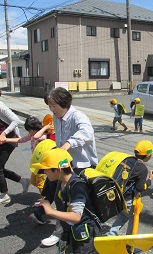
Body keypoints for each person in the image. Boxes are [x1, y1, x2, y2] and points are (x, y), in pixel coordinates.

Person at [31, 87, 99, 247]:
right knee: (61, 197)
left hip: (80, 164)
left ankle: (63, 232)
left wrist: (69, 143)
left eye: (53, 105)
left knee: (71, 200)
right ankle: (60, 228)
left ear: (64, 103)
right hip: (63, 163)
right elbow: (59, 139)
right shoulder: (56, 117)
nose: (51, 109)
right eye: (49, 105)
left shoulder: (77, 116)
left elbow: (87, 133)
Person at [32, 148, 100, 254]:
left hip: (84, 238)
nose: (44, 172)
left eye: (47, 169)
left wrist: (50, 211)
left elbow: (76, 217)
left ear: (59, 169)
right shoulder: (61, 181)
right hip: (71, 231)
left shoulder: (77, 186)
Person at [107, 140, 153, 238]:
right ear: (148, 155)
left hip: (117, 194)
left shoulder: (128, 160)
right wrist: (150, 179)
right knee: (132, 217)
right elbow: (140, 187)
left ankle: (111, 235)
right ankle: (129, 243)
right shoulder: (142, 168)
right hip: (128, 199)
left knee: (123, 216)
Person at [5, 116, 49, 193]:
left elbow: (36, 137)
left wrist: (45, 128)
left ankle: (46, 200)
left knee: (39, 183)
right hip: (36, 161)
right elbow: (21, 140)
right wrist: (6, 140)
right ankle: (49, 192)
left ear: (35, 128)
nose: (28, 132)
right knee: (33, 181)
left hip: (43, 162)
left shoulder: (43, 135)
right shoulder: (31, 135)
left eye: (29, 130)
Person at [0, 101, 30, 204]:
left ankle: (4, 194)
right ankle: (22, 180)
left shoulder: (0, 106)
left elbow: (16, 120)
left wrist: (4, 133)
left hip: (9, 140)